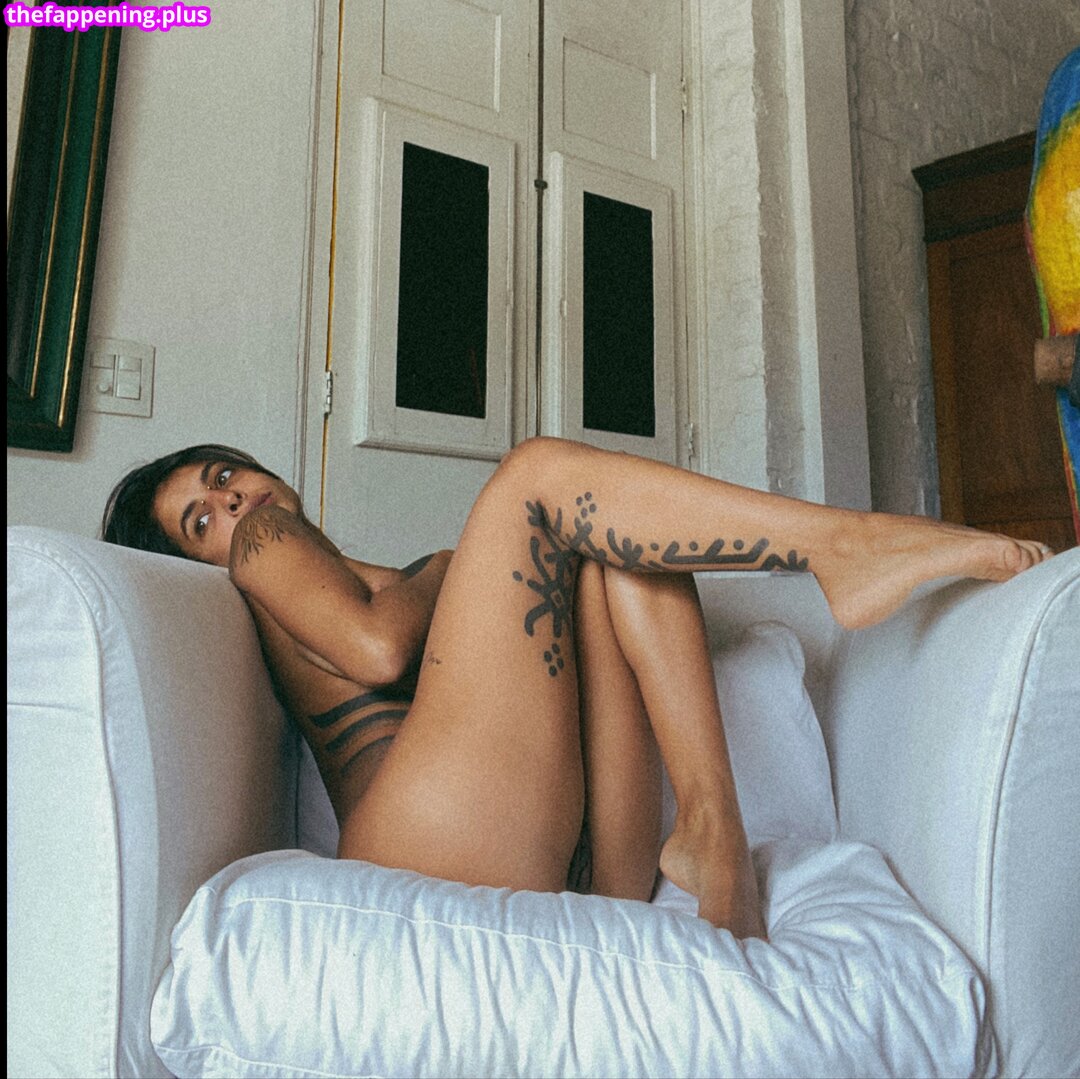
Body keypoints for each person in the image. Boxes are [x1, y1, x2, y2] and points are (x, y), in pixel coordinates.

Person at [101, 436, 1053, 939]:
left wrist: (445, 571)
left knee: (619, 541)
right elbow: (380, 647)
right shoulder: (265, 547)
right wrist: (446, 568)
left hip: (560, 860)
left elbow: (393, 628)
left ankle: (712, 833)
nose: (232, 503)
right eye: (199, 521)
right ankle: (844, 544)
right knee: (537, 475)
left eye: (224, 475)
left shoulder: (336, 567)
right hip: (414, 849)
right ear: (199, 562)